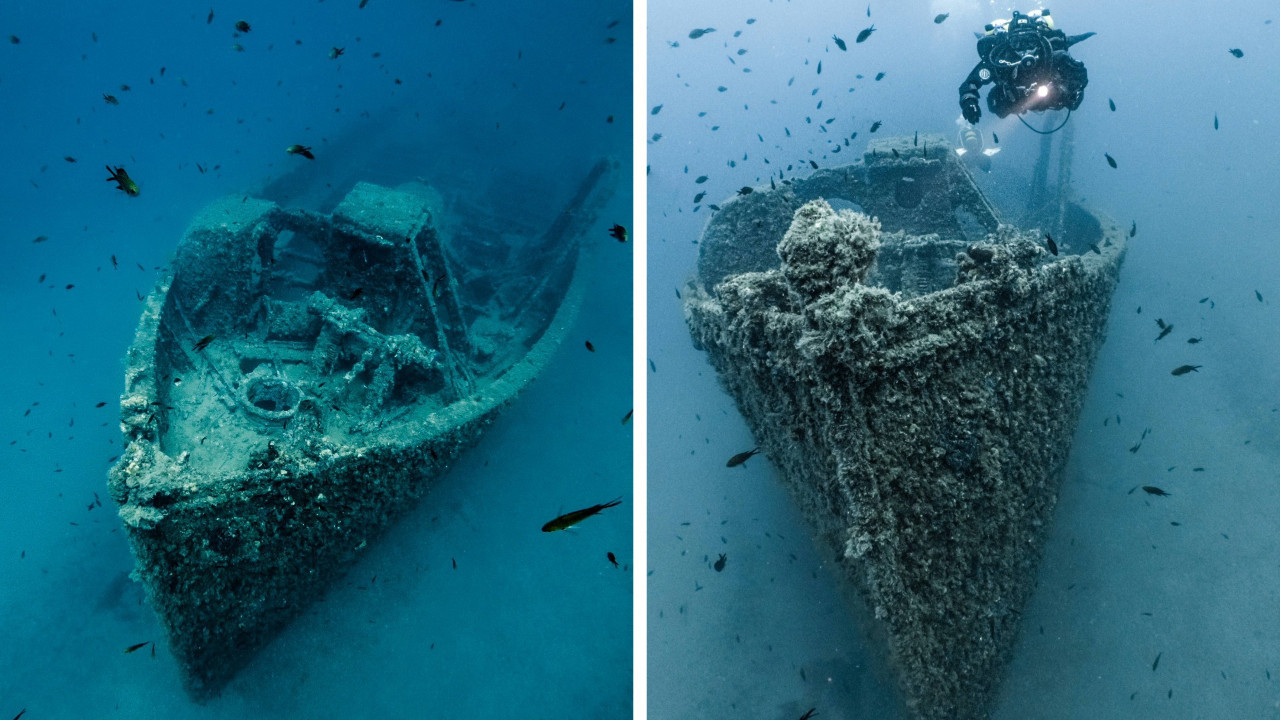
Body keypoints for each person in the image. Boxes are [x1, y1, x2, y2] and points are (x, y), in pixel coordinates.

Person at [958, 9, 1092, 124]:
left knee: (1069, 103)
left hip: (1048, 97)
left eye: (1030, 41)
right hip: (1015, 100)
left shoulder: (1051, 54)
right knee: (995, 105)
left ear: (1039, 41)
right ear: (1009, 43)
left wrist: (1077, 84)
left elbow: (1078, 79)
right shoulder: (1000, 60)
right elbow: (970, 84)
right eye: (1017, 43)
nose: (1025, 49)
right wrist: (969, 102)